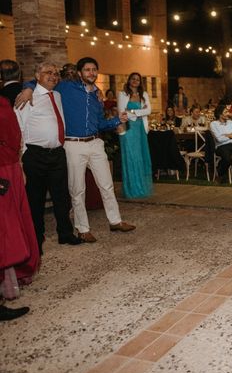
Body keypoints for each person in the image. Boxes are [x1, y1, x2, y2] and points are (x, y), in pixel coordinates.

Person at [16, 57, 136, 243]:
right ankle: (82, 229)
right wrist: (28, 87)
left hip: (95, 143)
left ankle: (115, 221)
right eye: (87, 70)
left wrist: (117, 120)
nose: (91, 73)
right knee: (77, 189)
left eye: (94, 69)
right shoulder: (65, 88)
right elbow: (42, 81)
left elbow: (100, 123)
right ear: (80, 73)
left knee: (106, 185)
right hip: (73, 145)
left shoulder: (97, 97)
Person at [15, 61, 82, 254]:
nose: (53, 76)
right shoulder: (28, 96)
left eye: (55, 73)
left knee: (61, 196)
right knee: (35, 200)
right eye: (48, 73)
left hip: (57, 154)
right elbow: (19, 127)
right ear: (37, 75)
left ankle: (65, 233)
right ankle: (36, 239)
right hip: (35, 155)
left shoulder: (58, 95)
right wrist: (22, 157)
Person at [0, 95, 39, 320]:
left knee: (11, 227)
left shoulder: (4, 101)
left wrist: (20, 166)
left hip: (11, 167)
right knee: (5, 231)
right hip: (2, 170)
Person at [117, 72, 153, 199]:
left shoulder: (144, 95)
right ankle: (131, 189)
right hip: (128, 129)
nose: (135, 81)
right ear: (129, 80)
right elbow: (122, 113)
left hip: (141, 130)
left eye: (137, 79)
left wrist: (132, 111)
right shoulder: (122, 94)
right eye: (133, 79)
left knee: (140, 157)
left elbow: (149, 110)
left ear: (140, 82)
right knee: (131, 157)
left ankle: (140, 188)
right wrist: (139, 112)